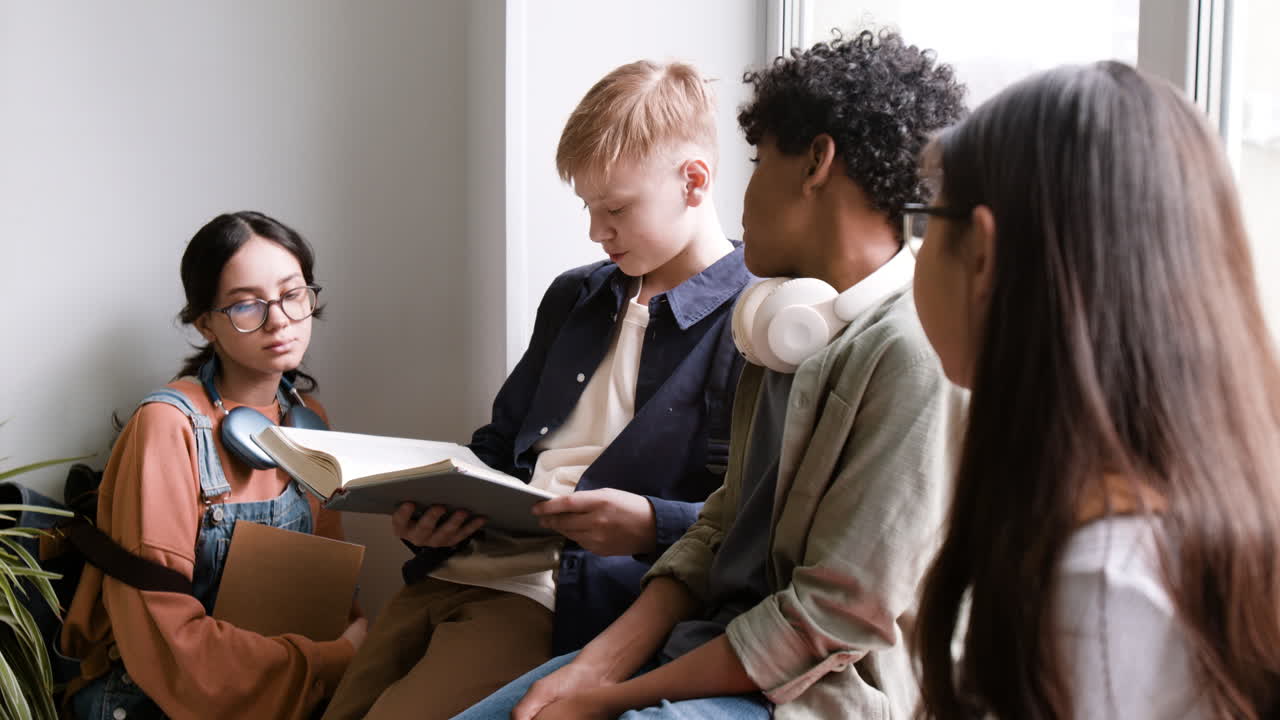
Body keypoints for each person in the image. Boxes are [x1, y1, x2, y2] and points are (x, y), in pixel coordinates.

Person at [452, 29, 967, 720]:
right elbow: (716, 532)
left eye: (759, 160)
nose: (742, 186)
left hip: (809, 694)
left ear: (817, 163)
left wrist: (610, 699)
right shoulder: (786, 321)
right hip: (694, 648)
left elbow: (829, 622)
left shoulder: (911, 351)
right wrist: (596, 667)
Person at [322, 59, 753, 720]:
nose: (594, 230)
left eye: (615, 208)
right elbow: (498, 448)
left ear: (694, 181)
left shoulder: (757, 321)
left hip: (559, 595)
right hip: (455, 569)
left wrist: (650, 523)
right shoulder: (576, 295)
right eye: (587, 207)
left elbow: (756, 521)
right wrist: (432, 514)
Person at [910, 60, 1280, 720]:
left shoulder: (1105, 590)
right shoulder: (1190, 523)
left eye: (927, 218)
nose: (917, 250)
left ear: (984, 254)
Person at [60, 211, 365, 720]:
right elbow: (167, 642)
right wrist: (336, 659)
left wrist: (343, 655)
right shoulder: (167, 427)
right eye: (246, 304)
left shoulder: (309, 423)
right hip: (155, 701)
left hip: (285, 691)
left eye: (292, 294)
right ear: (205, 323)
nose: (279, 320)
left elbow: (331, 596)